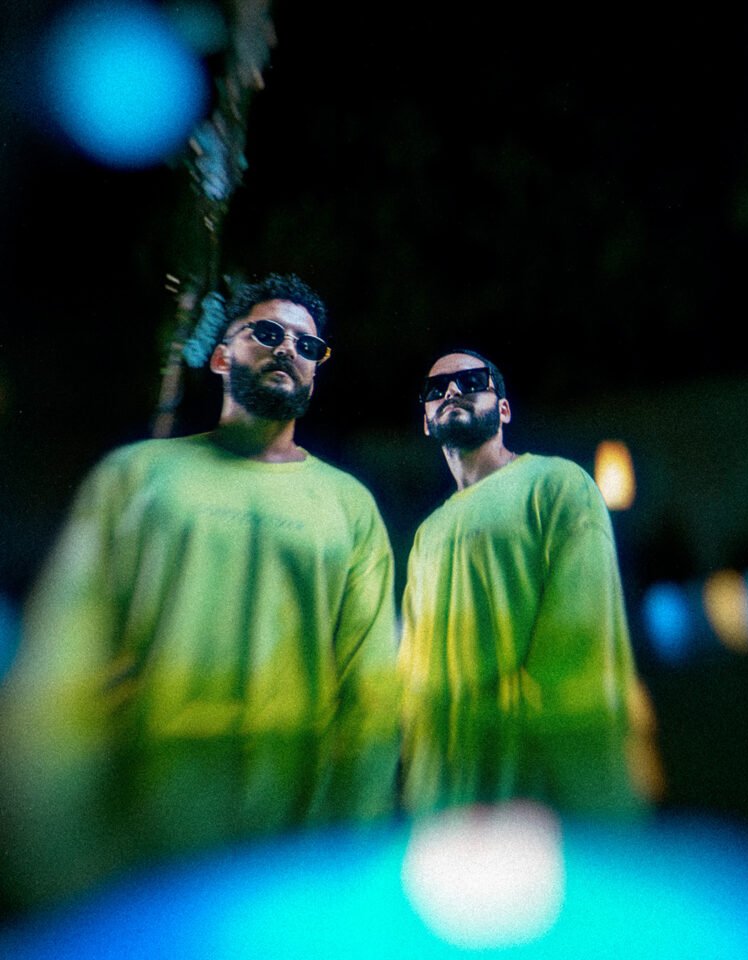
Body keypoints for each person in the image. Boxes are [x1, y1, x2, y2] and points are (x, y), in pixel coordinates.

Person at [0, 273, 398, 909]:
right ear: (220, 355)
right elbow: (59, 670)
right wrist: (49, 854)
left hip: (287, 860)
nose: (287, 349)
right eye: (267, 333)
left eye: (307, 345)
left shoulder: (351, 506)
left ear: (316, 373)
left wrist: (351, 854)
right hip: (133, 855)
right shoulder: (135, 476)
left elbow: (372, 694)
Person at [398, 349, 661, 817]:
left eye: (471, 381)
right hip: (449, 800)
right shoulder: (427, 534)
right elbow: (414, 671)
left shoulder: (558, 485)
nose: (453, 391)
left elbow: (579, 644)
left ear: (504, 409)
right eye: (436, 389)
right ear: (425, 421)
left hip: (547, 795)